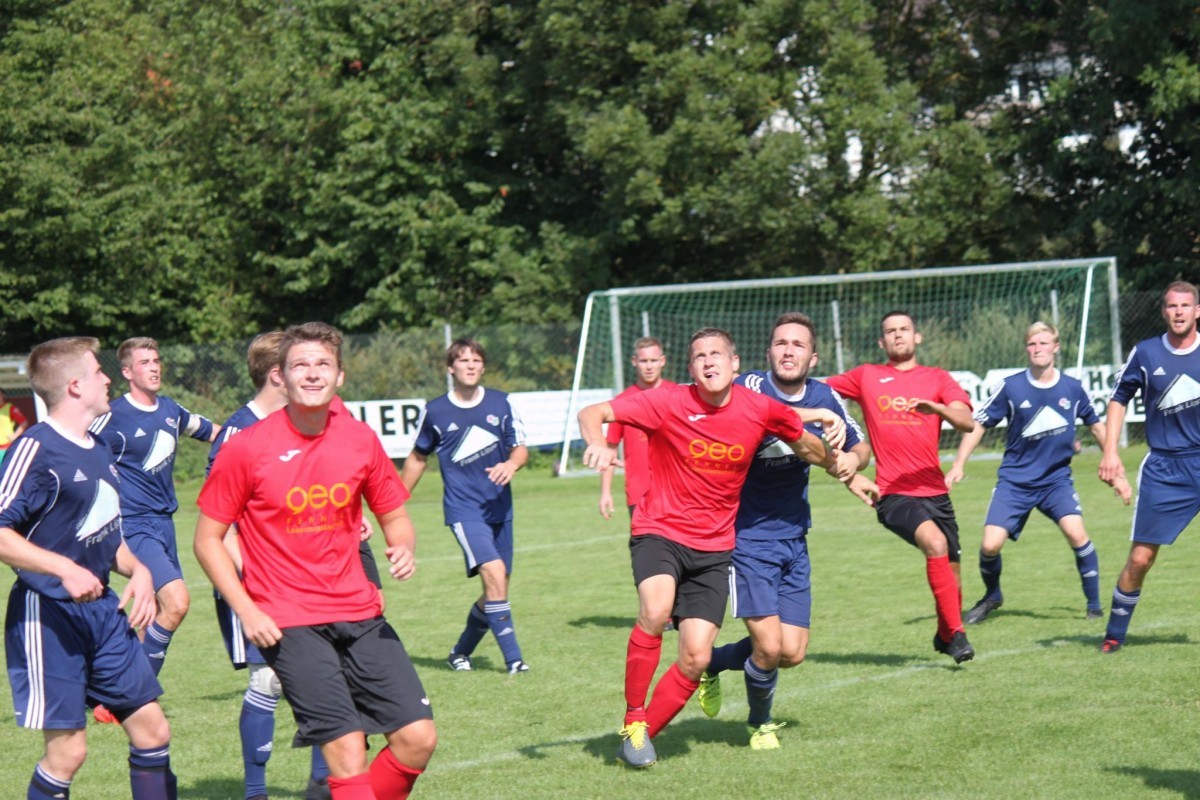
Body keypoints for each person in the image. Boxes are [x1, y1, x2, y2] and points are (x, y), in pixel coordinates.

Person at [578, 327, 872, 769]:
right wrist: (597, 442)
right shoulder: (667, 401)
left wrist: (846, 468)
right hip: (660, 530)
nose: (709, 361)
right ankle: (636, 718)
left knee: (697, 656)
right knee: (657, 612)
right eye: (700, 356)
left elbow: (804, 441)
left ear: (734, 365)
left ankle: (637, 739)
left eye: (717, 354)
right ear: (691, 369)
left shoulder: (759, 408)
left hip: (715, 547)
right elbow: (593, 411)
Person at [195, 321, 436, 800]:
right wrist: (247, 610)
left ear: (340, 377)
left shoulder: (360, 439)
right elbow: (207, 539)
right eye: (300, 365)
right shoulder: (245, 447)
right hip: (289, 621)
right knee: (347, 753)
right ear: (280, 377)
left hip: (360, 611)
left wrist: (403, 545)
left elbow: (395, 515)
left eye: (322, 364)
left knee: (417, 740)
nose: (312, 373)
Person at [0, 336, 177, 799]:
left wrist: (138, 569)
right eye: (99, 371)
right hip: (49, 617)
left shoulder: (98, 447)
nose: (106, 378)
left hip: (103, 615)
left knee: (153, 732)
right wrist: (63, 568)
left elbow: (106, 530)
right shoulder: (34, 449)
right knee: (68, 754)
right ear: (75, 386)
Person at [695, 313, 872, 749]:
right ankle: (759, 724)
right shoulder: (749, 388)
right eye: (780, 343)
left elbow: (859, 444)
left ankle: (713, 662)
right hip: (746, 539)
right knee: (770, 648)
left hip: (794, 536)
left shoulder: (826, 395)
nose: (788, 351)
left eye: (797, 345)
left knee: (791, 652)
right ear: (768, 352)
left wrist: (854, 463)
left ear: (813, 357)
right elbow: (768, 416)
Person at [945, 322, 1131, 624]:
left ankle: (1094, 607)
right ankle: (993, 595)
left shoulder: (1072, 388)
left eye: (1044, 343)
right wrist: (958, 464)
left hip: (1055, 481)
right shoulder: (1011, 387)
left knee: (1077, 533)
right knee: (989, 545)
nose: (1038, 349)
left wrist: (1118, 472)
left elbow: (1098, 427)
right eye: (1032, 344)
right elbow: (978, 424)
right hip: (1015, 482)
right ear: (1026, 348)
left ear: (1055, 347)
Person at [825, 310, 978, 663]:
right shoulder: (867, 376)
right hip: (892, 492)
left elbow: (967, 421)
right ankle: (958, 637)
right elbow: (814, 390)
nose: (898, 336)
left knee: (953, 582)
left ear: (917, 337)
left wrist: (936, 408)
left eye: (904, 330)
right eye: (890, 332)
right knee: (934, 543)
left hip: (935, 492)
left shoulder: (938, 378)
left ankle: (943, 634)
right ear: (882, 341)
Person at [88, 337, 220, 706]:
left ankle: (109, 690)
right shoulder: (110, 418)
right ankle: (127, 699)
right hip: (133, 525)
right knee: (176, 603)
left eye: (157, 360)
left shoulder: (170, 410)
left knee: (158, 612)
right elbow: (74, 451)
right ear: (127, 372)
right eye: (145, 362)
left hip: (164, 524)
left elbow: (214, 433)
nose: (154, 366)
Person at [401, 338, 531, 675]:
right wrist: (395, 501)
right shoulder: (436, 411)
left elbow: (520, 449)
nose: (470, 365)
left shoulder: (502, 403)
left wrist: (512, 465)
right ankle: (514, 660)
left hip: (500, 509)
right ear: (451, 368)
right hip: (464, 510)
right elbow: (417, 458)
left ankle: (460, 652)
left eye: (476, 360)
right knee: (495, 574)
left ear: (483, 366)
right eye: (463, 360)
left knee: (496, 587)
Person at [1097, 281, 1200, 654]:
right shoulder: (1146, 352)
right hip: (1165, 468)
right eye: (1172, 306)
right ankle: (1114, 634)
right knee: (1141, 558)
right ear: (1164, 312)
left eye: (1185, 306)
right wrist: (1110, 452)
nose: (1178, 312)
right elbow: (1118, 399)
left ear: (1197, 311)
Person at [598, 337, 671, 519]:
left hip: (675, 493)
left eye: (653, 361)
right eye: (643, 361)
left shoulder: (676, 395)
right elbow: (611, 450)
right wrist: (606, 492)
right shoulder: (622, 402)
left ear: (662, 361)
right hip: (639, 494)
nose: (649, 366)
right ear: (634, 362)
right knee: (644, 546)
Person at [0, 386, 29, 464]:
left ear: (3, 395)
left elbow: (24, 422)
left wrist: (15, 436)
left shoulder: (10, 408)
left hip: (6, 447)